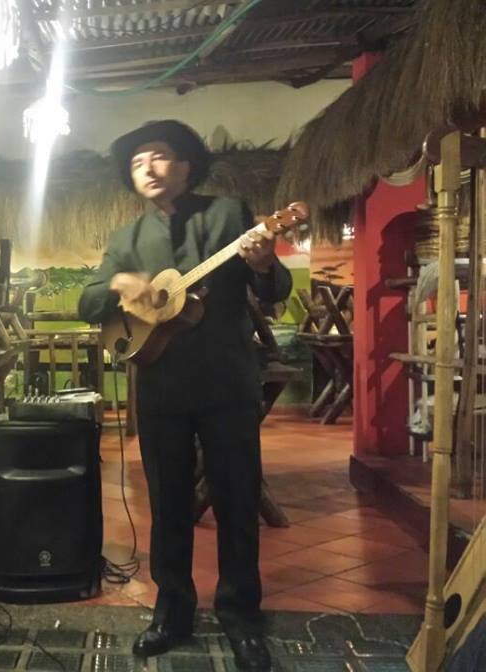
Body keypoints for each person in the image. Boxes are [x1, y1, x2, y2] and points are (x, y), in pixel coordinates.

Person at [78, 121, 292, 672]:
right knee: (167, 505)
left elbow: (272, 291)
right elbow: (88, 301)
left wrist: (264, 262)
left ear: (186, 166)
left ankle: (242, 617)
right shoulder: (126, 238)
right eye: (137, 162)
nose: (148, 168)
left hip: (226, 381)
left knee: (237, 502)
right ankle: (171, 612)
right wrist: (122, 284)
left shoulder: (227, 214)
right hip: (160, 387)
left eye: (161, 156)